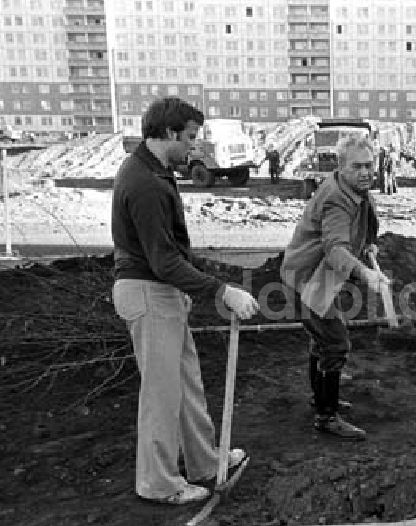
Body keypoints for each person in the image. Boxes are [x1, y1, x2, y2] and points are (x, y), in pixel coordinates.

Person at [111, 97, 259, 505]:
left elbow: (171, 252)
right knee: (161, 393)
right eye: (191, 137)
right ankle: (158, 483)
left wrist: (195, 288)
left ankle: (205, 462)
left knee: (186, 385)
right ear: (170, 133)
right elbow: (163, 260)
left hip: (160, 292)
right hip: (147, 292)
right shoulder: (144, 183)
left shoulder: (154, 173)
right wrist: (219, 291)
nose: (194, 147)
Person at [280, 135, 389, 439]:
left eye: (369, 165)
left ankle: (321, 399)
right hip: (308, 277)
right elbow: (335, 248)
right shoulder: (336, 198)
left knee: (324, 338)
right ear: (341, 167)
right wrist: (365, 274)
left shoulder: (357, 191)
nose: (366, 172)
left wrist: (368, 246)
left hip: (321, 274)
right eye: (358, 166)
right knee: (336, 342)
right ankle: (326, 417)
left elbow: (358, 231)